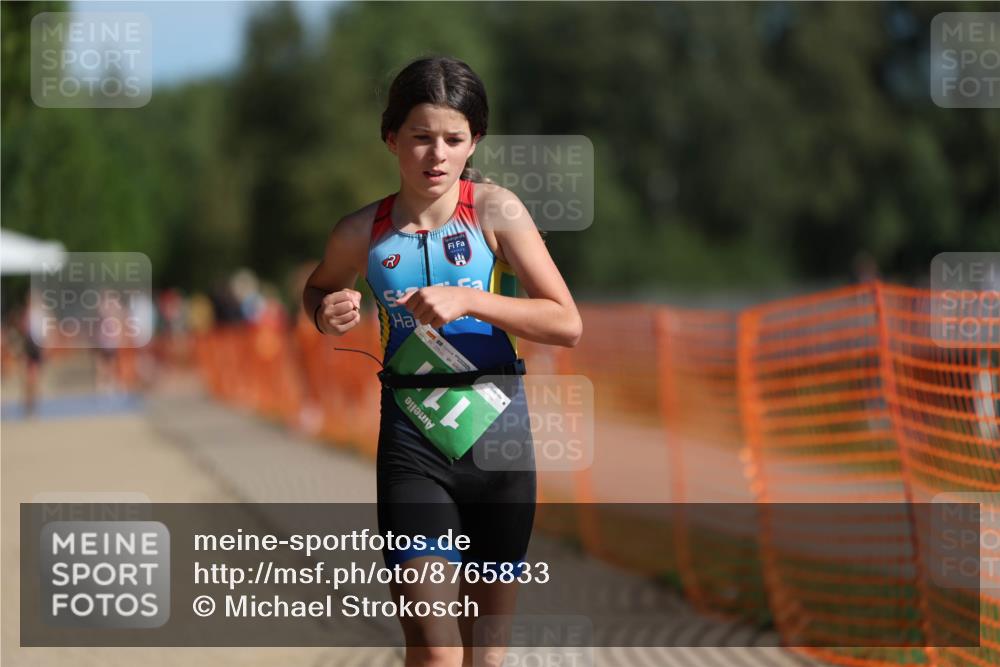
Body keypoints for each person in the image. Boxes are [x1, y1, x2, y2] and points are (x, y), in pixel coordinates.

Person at [303, 56, 582, 667]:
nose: (437, 155)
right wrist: (327, 311)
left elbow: (566, 322)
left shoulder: (495, 211)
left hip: (498, 442)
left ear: (474, 142)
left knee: (486, 651)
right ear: (390, 139)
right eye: (421, 138)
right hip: (412, 443)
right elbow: (318, 289)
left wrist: (472, 300)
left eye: (454, 140)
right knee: (434, 650)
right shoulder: (361, 232)